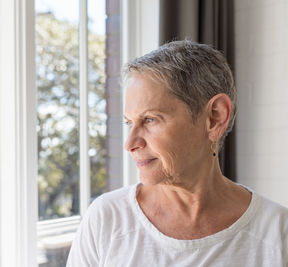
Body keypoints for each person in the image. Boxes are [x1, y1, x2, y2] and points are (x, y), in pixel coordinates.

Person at [66, 40, 288, 266]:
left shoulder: (278, 233)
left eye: (150, 119)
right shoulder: (106, 219)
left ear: (215, 117)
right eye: (129, 123)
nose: (130, 143)